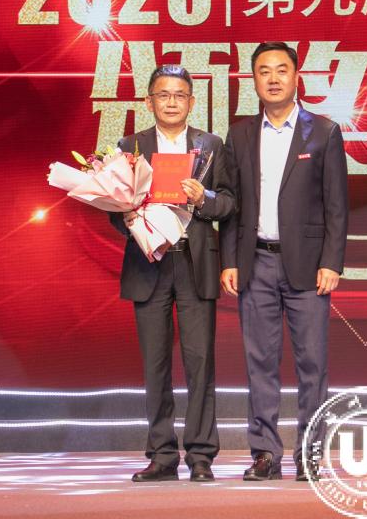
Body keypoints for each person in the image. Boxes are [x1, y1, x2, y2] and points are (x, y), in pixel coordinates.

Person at [219, 41, 348, 481]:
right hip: (255, 261)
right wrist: (230, 259)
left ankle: (310, 454)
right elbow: (233, 204)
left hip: (309, 268)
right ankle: (265, 454)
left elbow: (336, 205)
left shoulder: (324, 132)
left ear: (296, 77)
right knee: (260, 363)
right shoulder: (239, 134)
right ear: (253, 79)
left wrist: (332, 261)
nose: (273, 78)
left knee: (312, 364)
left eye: (281, 70)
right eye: (263, 71)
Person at [109, 64, 235, 482]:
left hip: (194, 262)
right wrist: (127, 215)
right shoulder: (130, 145)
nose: (171, 102)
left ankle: (200, 456)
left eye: (179, 95)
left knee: (200, 363)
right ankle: (162, 455)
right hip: (149, 263)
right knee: (156, 364)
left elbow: (229, 202)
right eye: (163, 95)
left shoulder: (211, 144)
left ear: (192, 102)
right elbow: (112, 210)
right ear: (149, 102)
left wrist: (205, 198)